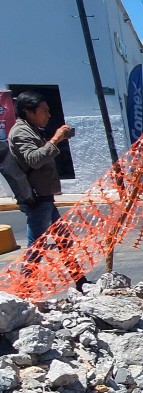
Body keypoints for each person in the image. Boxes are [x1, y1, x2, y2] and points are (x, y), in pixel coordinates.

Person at [8, 91, 88, 291]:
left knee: (63, 240)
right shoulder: (20, 132)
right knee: (37, 247)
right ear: (29, 112)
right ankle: (25, 288)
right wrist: (55, 140)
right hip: (36, 199)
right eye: (44, 111)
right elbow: (34, 160)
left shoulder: (31, 130)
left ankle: (80, 282)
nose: (49, 115)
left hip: (45, 198)